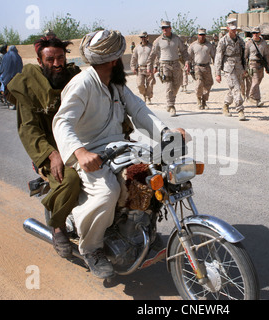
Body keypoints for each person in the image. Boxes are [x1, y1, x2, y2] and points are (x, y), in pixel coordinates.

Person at [52, 30, 185, 279]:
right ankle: (91, 249)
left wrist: (166, 133)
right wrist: (80, 152)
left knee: (152, 178)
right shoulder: (83, 84)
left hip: (119, 148)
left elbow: (140, 111)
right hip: (91, 153)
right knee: (108, 192)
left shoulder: (116, 85)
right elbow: (62, 122)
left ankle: (143, 232)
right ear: (114, 61)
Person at [7, 36, 82, 259]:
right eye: (50, 59)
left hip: (79, 142)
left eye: (61, 57)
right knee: (70, 179)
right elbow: (28, 128)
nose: (57, 64)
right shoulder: (28, 85)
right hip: (50, 149)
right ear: (40, 61)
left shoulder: (75, 78)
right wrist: (51, 154)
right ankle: (57, 225)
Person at [147, 20, 190, 117]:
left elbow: (184, 51)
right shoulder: (158, 41)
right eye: (163, 28)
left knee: (177, 84)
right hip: (164, 65)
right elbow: (152, 54)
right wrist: (149, 66)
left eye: (166, 28)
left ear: (170, 28)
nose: (164, 29)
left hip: (176, 64)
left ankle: (170, 100)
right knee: (168, 85)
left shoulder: (177, 39)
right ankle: (171, 106)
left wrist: (187, 62)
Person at [214, 18, 247, 121]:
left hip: (239, 68)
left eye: (235, 29)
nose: (233, 30)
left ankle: (225, 105)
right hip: (228, 68)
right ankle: (240, 110)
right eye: (231, 28)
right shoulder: (223, 41)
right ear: (227, 28)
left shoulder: (240, 41)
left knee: (233, 89)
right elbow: (218, 57)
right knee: (236, 88)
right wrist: (217, 73)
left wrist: (245, 69)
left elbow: (244, 57)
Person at [188, 28, 215, 110]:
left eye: (203, 35)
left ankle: (204, 101)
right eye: (200, 35)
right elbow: (188, 57)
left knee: (208, 84)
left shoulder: (209, 45)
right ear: (197, 35)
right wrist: (188, 66)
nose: (202, 36)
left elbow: (214, 56)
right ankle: (199, 99)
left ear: (205, 35)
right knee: (199, 83)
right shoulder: (193, 45)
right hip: (197, 67)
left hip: (207, 67)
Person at [245, 26, 269, 107]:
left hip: (261, 65)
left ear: (259, 33)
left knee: (259, 80)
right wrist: (245, 67)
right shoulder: (249, 43)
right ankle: (251, 96)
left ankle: (257, 100)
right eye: (253, 33)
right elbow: (245, 56)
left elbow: (267, 55)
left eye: (256, 33)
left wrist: (267, 67)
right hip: (252, 64)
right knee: (255, 81)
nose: (255, 35)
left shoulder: (263, 43)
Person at [130, 31, 156, 104]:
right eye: (141, 37)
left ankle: (148, 97)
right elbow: (134, 58)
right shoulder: (137, 48)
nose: (143, 39)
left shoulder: (151, 47)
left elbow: (156, 57)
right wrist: (132, 66)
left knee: (150, 84)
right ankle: (144, 94)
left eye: (144, 37)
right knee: (139, 84)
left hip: (149, 68)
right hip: (140, 69)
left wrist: (156, 66)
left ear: (147, 37)